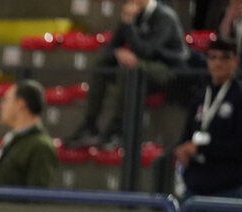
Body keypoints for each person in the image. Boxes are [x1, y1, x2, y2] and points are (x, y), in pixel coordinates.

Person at [65, 0, 189, 150]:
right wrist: (118, 51)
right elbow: (108, 49)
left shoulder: (165, 16)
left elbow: (147, 51)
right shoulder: (133, 15)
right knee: (101, 65)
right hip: (141, 66)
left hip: (167, 70)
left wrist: (128, 23)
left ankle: (119, 128)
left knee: (129, 69)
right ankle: (90, 124)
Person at [174, 37, 242, 198]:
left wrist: (200, 148)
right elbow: (186, 135)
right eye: (213, 57)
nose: (218, 63)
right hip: (195, 187)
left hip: (229, 188)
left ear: (235, 61)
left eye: (225, 57)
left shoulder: (239, 97)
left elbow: (238, 146)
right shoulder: (200, 95)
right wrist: (181, 149)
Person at [0, 80, 57, 188]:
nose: (1, 105)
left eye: (6, 100)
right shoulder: (12, 139)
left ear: (20, 105)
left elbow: (38, 197)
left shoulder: (40, 147)